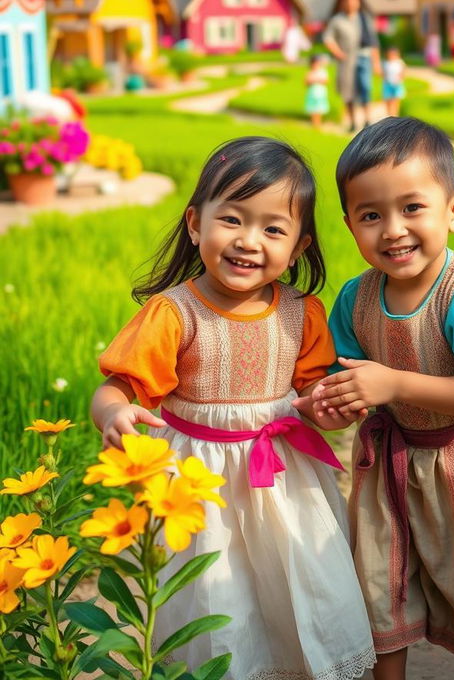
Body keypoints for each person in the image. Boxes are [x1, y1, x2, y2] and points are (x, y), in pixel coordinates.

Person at [90, 136, 375, 680]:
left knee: (294, 577)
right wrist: (113, 415)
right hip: (198, 484)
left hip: (284, 478)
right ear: (196, 223)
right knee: (217, 595)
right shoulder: (173, 314)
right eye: (233, 220)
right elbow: (118, 386)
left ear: (298, 246)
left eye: (273, 229)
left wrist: (329, 407)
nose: (249, 242)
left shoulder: (301, 312)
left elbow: (312, 395)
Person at [303, 117, 454, 680]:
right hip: (387, 467)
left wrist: (392, 383)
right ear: (349, 226)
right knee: (381, 590)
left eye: (412, 208)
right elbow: (339, 379)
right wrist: (332, 403)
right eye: (371, 215)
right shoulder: (355, 298)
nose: (392, 230)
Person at [323, 0, 381, 132]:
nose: (351, 4)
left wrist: (376, 62)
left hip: (364, 57)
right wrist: (338, 52)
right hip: (347, 60)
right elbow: (328, 38)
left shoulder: (364, 18)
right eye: (348, 1)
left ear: (358, 2)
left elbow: (373, 42)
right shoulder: (337, 20)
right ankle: (353, 121)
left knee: (365, 87)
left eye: (354, 1)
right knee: (348, 91)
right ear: (344, 3)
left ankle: (367, 119)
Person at [304, 52, 330, 128]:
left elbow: (325, 81)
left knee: (319, 109)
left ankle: (318, 123)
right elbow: (306, 82)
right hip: (312, 94)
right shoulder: (309, 72)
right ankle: (314, 123)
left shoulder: (322, 72)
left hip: (320, 94)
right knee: (313, 109)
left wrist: (316, 80)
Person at [381, 47, 406, 118]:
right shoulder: (385, 63)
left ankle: (396, 114)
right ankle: (389, 114)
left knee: (396, 99)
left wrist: (400, 78)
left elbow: (403, 71)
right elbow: (383, 72)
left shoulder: (399, 62)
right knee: (388, 99)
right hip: (388, 83)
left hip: (397, 84)